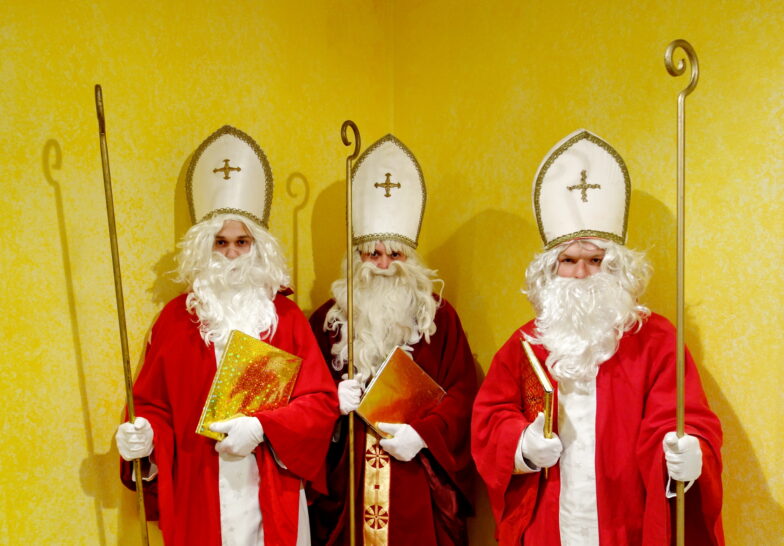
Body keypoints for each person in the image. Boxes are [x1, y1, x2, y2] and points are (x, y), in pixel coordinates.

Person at [471, 130, 724, 545]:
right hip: (548, 523)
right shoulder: (527, 343)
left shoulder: (655, 339)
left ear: (616, 267)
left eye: (595, 260)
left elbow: (685, 417)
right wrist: (522, 444)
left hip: (628, 523)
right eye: (568, 260)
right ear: (550, 270)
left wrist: (690, 451)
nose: (581, 273)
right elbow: (490, 417)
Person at [114, 125, 339, 546]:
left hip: (270, 488)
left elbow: (320, 403)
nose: (232, 254)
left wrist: (263, 428)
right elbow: (153, 404)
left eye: (242, 242)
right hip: (199, 489)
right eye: (220, 243)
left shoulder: (285, 318)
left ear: (259, 247)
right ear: (204, 247)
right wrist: (144, 434)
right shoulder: (175, 320)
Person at [307, 134, 478, 545]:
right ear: (357, 257)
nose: (384, 265)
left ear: (410, 258)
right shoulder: (328, 321)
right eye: (373, 254)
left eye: (395, 255)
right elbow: (301, 398)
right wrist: (331, 402)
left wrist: (424, 435)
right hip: (348, 484)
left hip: (418, 478)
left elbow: (463, 394)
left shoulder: (439, 318)